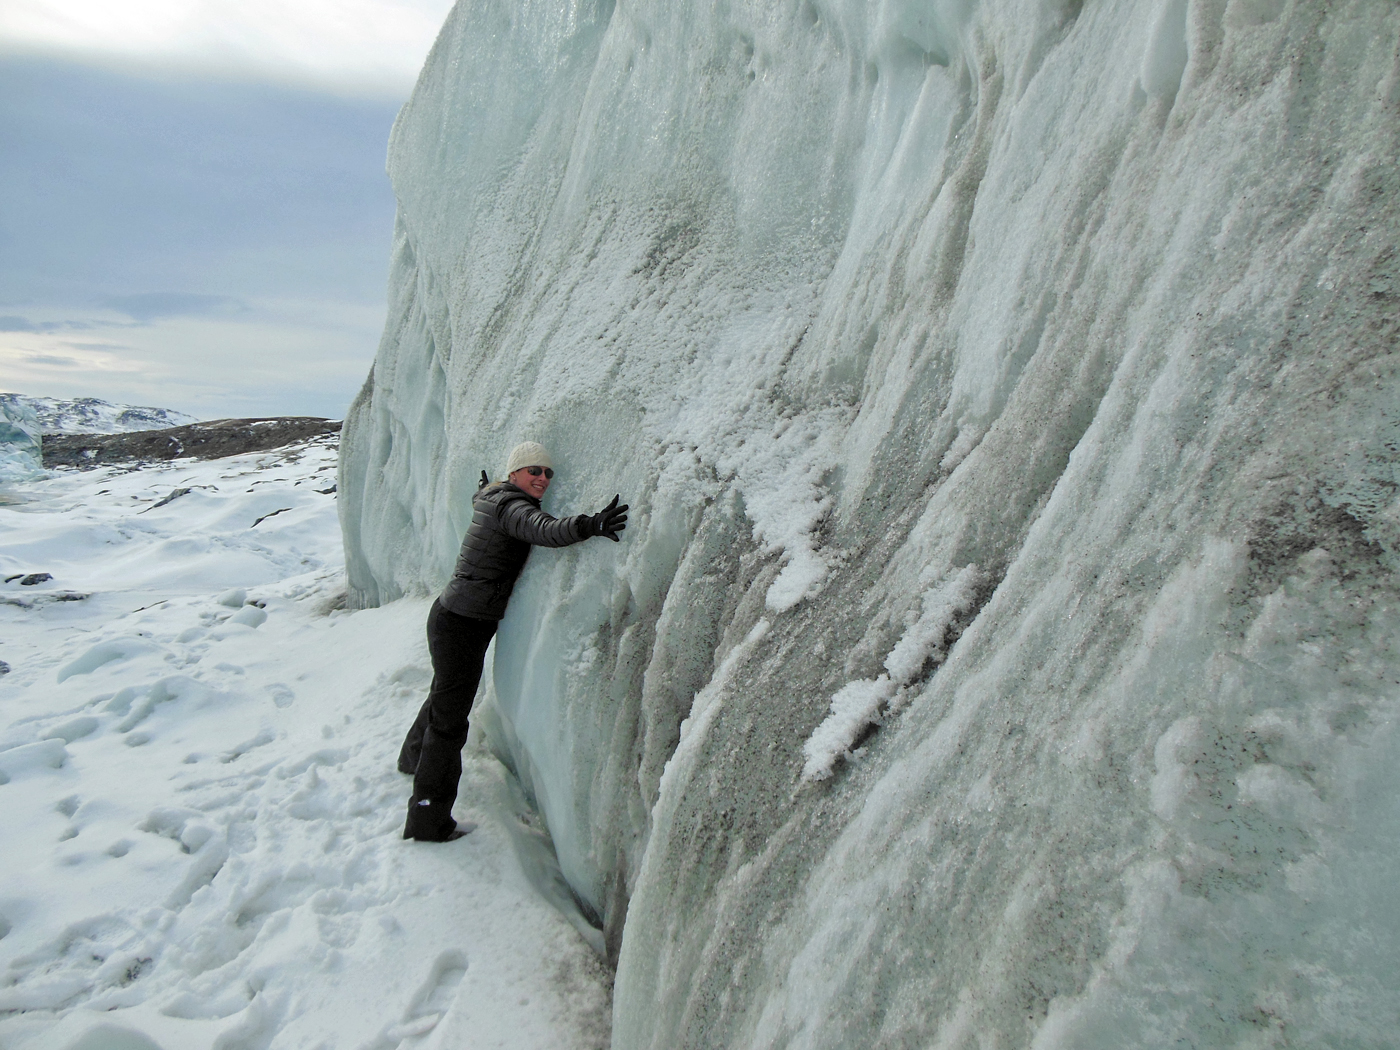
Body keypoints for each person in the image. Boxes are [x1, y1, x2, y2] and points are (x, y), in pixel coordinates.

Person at [397, 441, 628, 842]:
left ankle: (411, 757)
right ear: (515, 474)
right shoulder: (511, 507)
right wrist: (589, 525)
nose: (541, 478)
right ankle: (428, 820)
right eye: (533, 471)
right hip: (462, 624)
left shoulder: (493, 497)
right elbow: (542, 529)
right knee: (450, 723)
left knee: (445, 695)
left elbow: (483, 499)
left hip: (452, 616)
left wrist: (483, 487)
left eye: (547, 473)